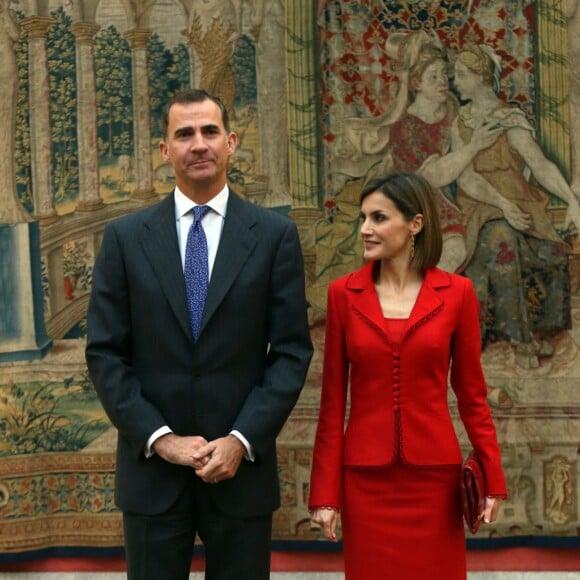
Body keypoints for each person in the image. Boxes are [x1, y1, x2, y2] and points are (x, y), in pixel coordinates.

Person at [85, 88, 313, 580]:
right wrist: (161, 438)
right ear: (165, 151)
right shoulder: (125, 240)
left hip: (241, 473)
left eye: (210, 131)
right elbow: (105, 354)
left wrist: (240, 438)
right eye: (184, 134)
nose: (199, 144)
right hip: (152, 475)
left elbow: (291, 352)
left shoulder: (274, 237)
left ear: (231, 142)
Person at [308, 172, 507, 580]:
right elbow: (331, 407)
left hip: (435, 482)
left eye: (378, 218)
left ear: (415, 223)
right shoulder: (342, 295)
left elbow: (473, 397)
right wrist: (325, 494)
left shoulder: (458, 294)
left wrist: (493, 480)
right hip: (364, 481)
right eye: (363, 218)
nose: (365, 229)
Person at [452, 44, 580, 369]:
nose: (455, 82)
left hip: (519, 202)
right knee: (502, 239)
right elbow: (466, 180)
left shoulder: (509, 119)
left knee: (549, 248)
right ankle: (521, 340)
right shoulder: (461, 122)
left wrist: (571, 200)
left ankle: (536, 327)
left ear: (480, 77)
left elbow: (539, 165)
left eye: (461, 75)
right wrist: (503, 204)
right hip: (479, 207)